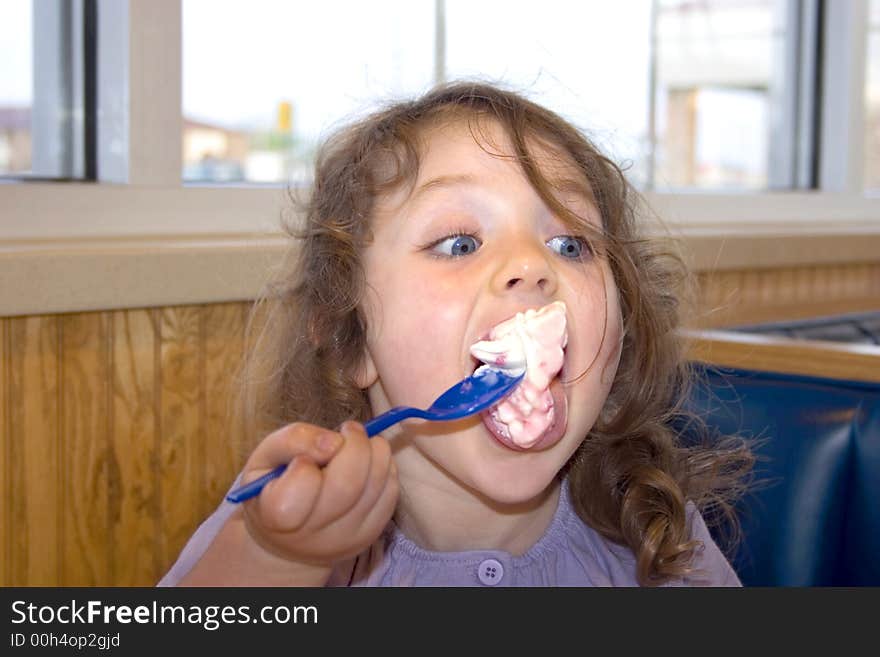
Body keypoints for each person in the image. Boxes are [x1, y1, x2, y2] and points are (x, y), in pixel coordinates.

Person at [159, 81, 753, 587]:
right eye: (460, 243)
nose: (532, 264)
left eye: (570, 244)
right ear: (351, 340)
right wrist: (273, 559)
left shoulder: (659, 541)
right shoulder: (281, 529)